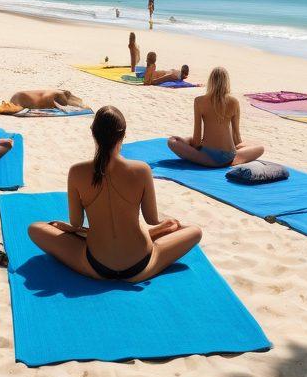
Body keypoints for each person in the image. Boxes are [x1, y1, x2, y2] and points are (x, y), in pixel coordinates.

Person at [27, 106, 202, 282]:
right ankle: (155, 233)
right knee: (194, 231)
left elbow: (76, 222)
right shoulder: (141, 170)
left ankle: (150, 233)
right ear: (123, 135)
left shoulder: (77, 171)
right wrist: (166, 223)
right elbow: (151, 219)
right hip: (141, 263)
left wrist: (69, 229)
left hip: (96, 264)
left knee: (35, 228)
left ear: (93, 133)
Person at [167, 67, 265, 167]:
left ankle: (212, 161)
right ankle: (234, 160)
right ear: (227, 82)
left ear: (210, 81)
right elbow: (236, 136)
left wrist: (188, 143)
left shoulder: (199, 101)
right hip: (230, 157)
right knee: (260, 147)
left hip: (208, 158)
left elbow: (196, 141)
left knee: (172, 141)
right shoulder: (234, 102)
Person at [9, 88, 88, 111]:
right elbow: (66, 104)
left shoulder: (55, 92)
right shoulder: (59, 94)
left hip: (16, 97)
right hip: (20, 98)